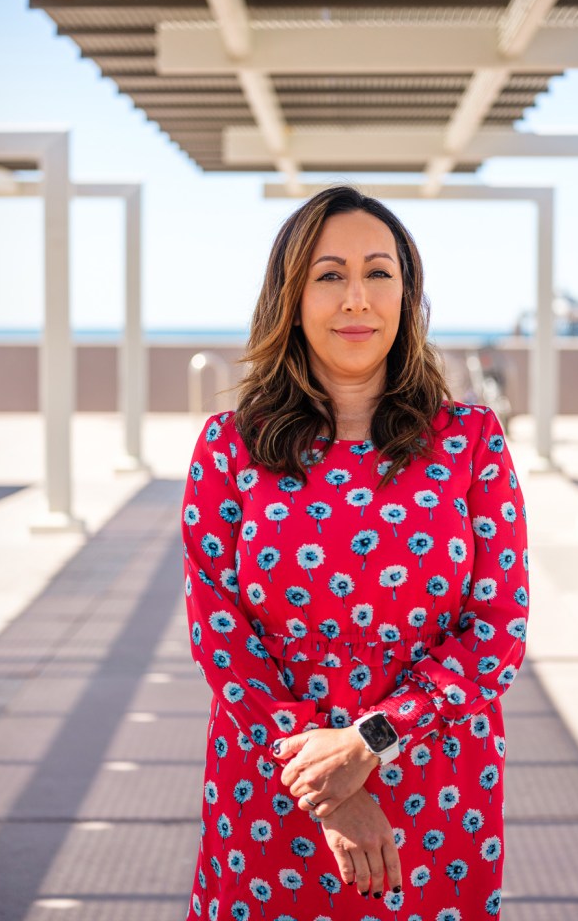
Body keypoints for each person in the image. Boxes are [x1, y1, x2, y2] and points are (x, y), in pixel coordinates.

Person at [181, 185, 529, 920]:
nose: (356, 299)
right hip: (275, 794)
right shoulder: (228, 448)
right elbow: (221, 637)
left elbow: (497, 629)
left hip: (436, 793)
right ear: (291, 295)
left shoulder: (470, 442)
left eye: (379, 273)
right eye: (329, 274)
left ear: (407, 295)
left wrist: (369, 744)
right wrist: (325, 782)